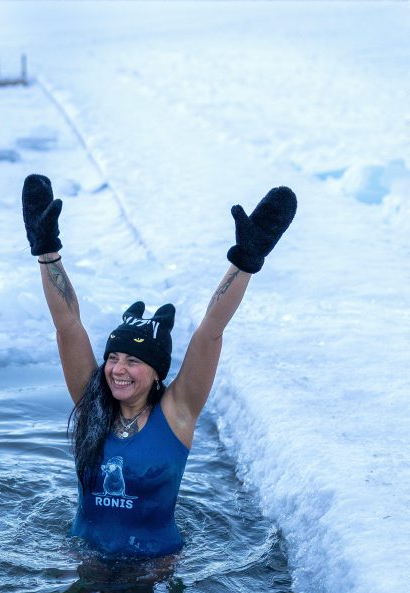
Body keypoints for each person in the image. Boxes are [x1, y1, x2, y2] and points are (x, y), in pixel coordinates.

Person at [22, 174, 296, 558]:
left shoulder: (177, 413)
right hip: (86, 560)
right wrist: (47, 251)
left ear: (156, 373)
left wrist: (245, 263)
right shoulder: (92, 404)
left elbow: (211, 331)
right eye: (113, 357)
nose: (118, 369)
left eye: (133, 361)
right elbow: (67, 324)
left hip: (154, 570)